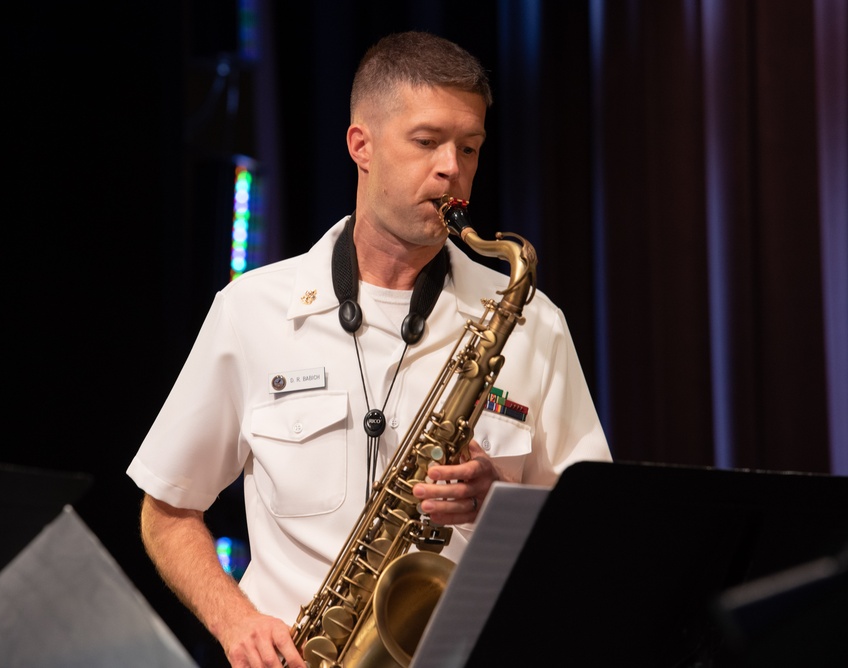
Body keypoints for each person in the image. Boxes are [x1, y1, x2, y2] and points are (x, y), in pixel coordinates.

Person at [128, 31, 611, 668]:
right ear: (362, 144)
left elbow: (595, 534)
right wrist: (236, 622)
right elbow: (166, 510)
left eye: (469, 148)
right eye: (426, 141)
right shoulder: (251, 311)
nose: (451, 168)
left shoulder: (533, 321)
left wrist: (498, 496)